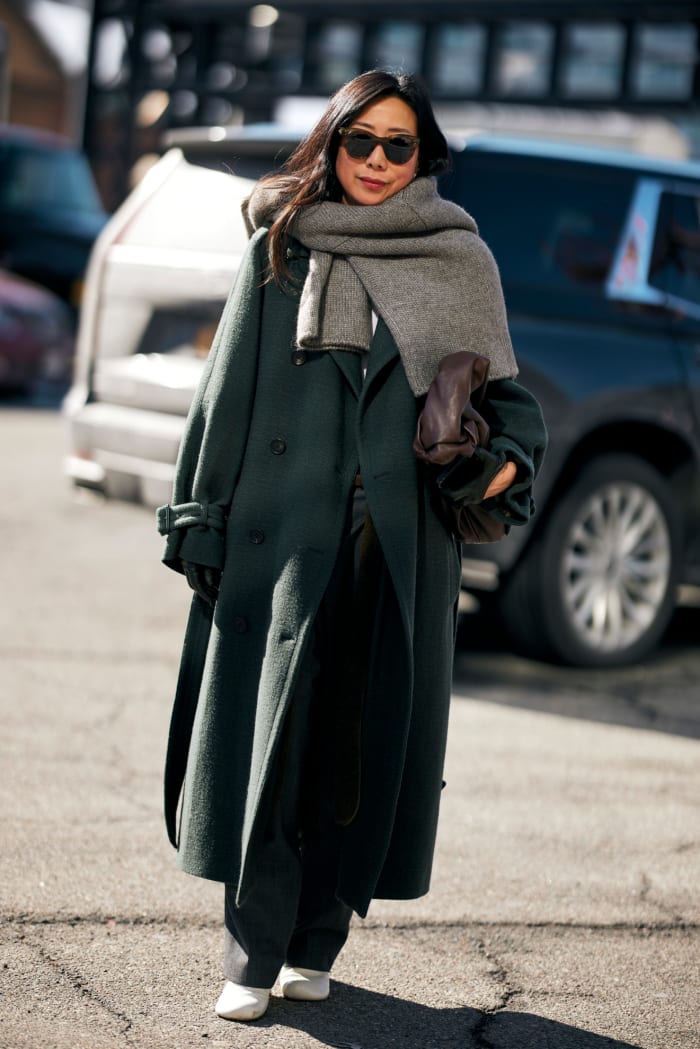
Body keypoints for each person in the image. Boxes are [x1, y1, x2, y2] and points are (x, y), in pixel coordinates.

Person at [157, 69, 547, 1023]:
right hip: (281, 541)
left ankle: (318, 938)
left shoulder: (461, 261)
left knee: (354, 749)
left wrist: (499, 464)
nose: (376, 160)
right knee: (272, 746)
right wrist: (199, 517)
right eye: (359, 140)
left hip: (399, 549)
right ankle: (251, 952)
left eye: (398, 144)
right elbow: (225, 397)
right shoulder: (281, 247)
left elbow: (513, 413)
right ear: (332, 143)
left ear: (425, 156)